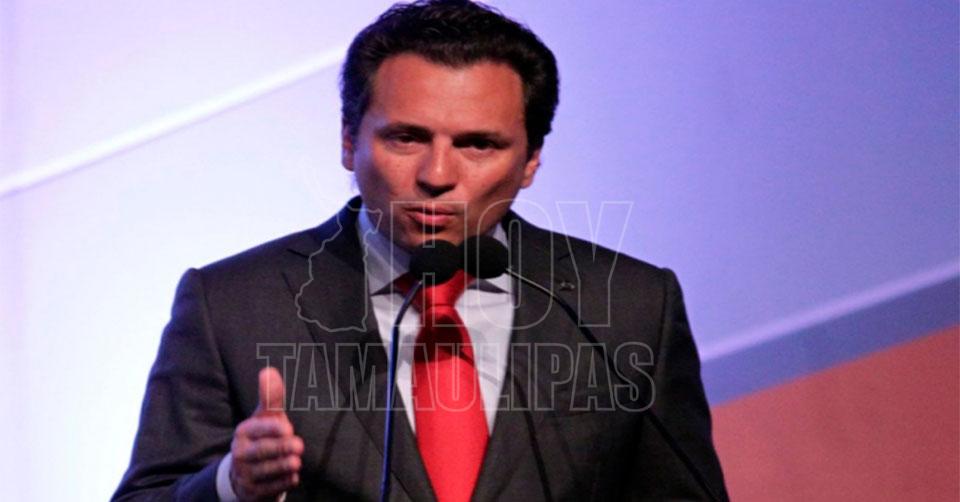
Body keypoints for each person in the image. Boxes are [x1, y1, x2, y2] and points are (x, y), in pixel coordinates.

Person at [113, 1, 728, 500]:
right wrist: (230, 486)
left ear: (531, 161)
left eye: (478, 145)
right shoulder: (231, 306)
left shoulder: (628, 309)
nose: (437, 175)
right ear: (349, 141)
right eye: (406, 138)